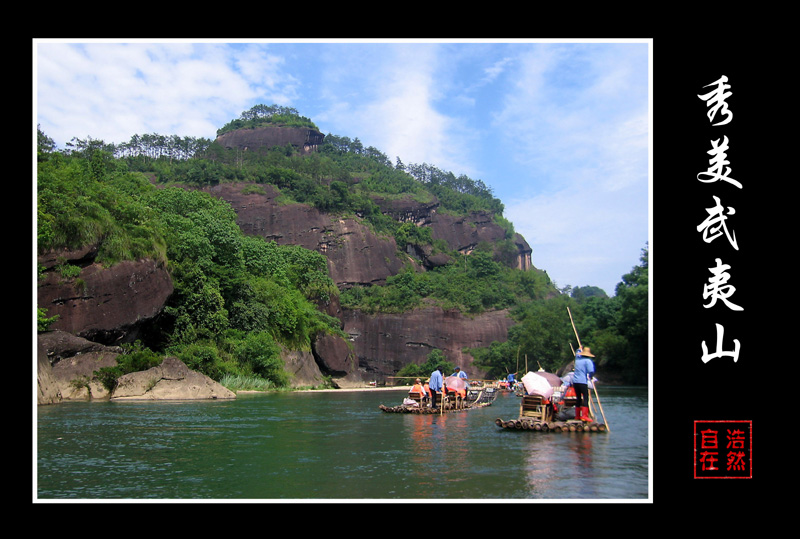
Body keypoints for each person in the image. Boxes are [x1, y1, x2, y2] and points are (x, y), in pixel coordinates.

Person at [573, 346, 596, 422]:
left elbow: (577, 354)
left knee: (578, 398)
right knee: (585, 397)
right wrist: (591, 377)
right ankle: (584, 416)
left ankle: (577, 416)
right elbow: (591, 372)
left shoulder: (577, 360)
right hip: (582, 381)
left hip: (575, 382)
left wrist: (579, 348)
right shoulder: (588, 361)